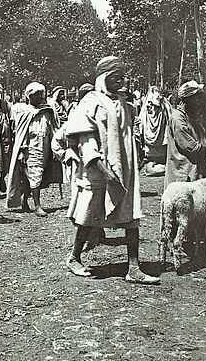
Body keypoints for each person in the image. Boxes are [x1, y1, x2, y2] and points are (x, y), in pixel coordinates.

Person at [65, 56, 160, 285]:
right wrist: (104, 169)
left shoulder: (123, 103)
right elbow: (86, 140)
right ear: (103, 77)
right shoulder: (90, 101)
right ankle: (74, 257)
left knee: (131, 213)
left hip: (124, 168)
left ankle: (134, 267)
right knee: (88, 215)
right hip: (97, 168)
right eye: (115, 76)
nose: (121, 81)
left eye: (122, 76)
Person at [7, 82, 62, 217]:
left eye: (40, 94)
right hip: (30, 148)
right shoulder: (23, 112)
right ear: (29, 96)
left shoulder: (47, 111)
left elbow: (54, 129)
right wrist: (21, 150)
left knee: (34, 176)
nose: (39, 97)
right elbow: (20, 133)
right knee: (34, 175)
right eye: (36, 95)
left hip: (45, 147)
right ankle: (37, 206)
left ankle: (25, 200)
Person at [164, 80, 206, 189]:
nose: (199, 101)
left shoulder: (194, 117)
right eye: (196, 98)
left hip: (196, 171)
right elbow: (189, 145)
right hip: (183, 174)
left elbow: (203, 137)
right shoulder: (178, 118)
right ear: (186, 100)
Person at [138, 85, 173, 169]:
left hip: (161, 129)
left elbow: (169, 114)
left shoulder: (163, 103)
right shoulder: (148, 104)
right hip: (151, 129)